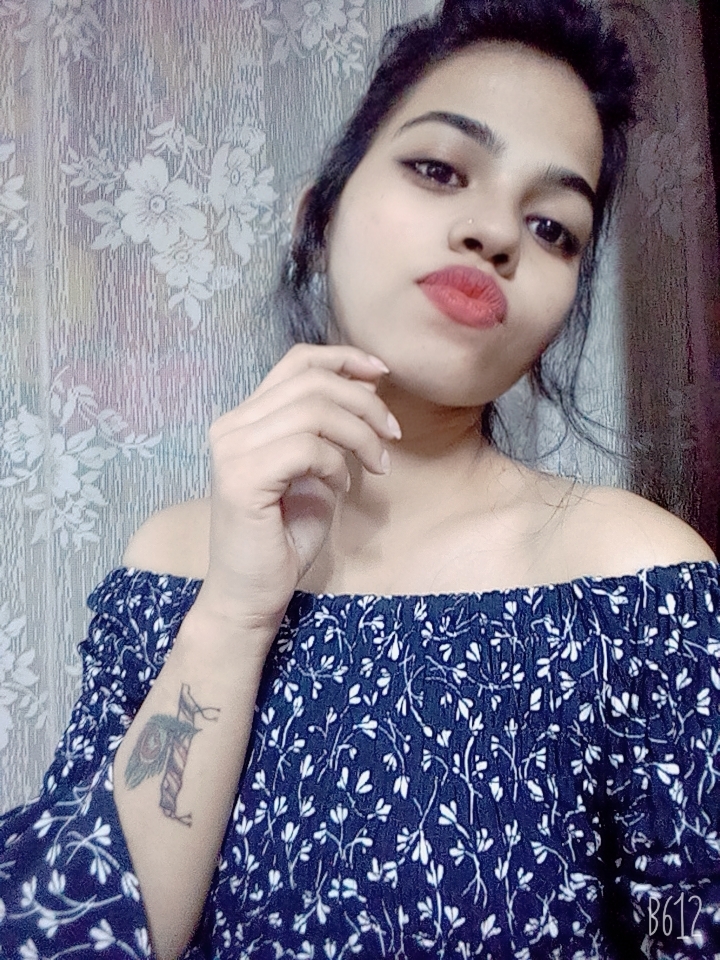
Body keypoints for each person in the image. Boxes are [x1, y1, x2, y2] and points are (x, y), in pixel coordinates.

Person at [1, 0, 719, 957]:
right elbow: (71, 929)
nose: (495, 233)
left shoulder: (636, 582)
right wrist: (235, 612)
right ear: (318, 216)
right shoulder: (167, 566)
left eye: (553, 226)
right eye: (439, 170)